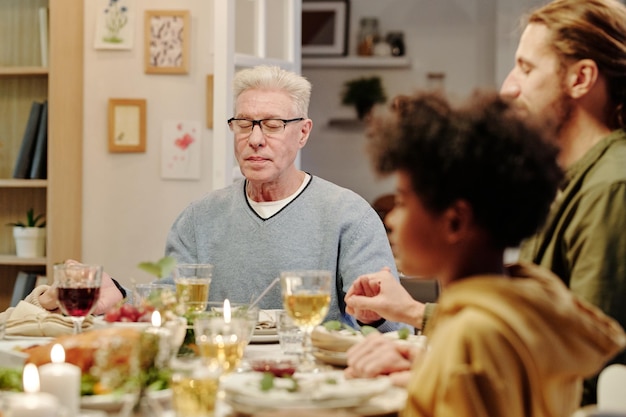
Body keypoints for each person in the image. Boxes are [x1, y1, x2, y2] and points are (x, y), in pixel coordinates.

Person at [346, 0, 626, 404]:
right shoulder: (580, 180)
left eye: (527, 68)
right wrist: (429, 343)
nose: (509, 87)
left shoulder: (610, 188)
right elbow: (527, 333)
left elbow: (588, 368)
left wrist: (442, 374)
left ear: (581, 78)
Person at [161, 65, 403, 331]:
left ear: (303, 133)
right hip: (223, 363)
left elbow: (396, 330)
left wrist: (375, 316)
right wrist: (120, 294)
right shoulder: (198, 217)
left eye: (272, 125)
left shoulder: (350, 215)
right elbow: (163, 307)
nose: (254, 139)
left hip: (316, 368)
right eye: (243, 124)